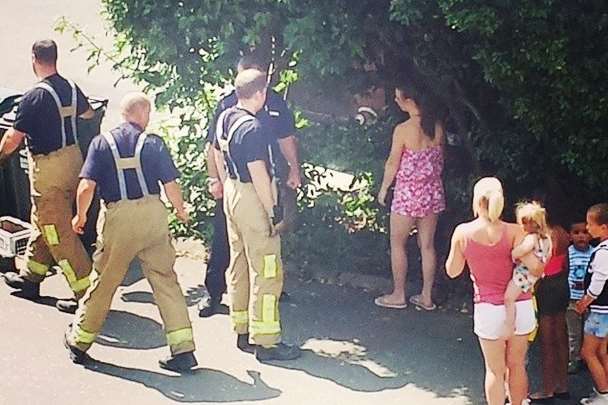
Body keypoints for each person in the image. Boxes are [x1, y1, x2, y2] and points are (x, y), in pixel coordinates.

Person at [64, 92, 197, 372]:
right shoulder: (153, 143)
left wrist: (81, 216)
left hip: (120, 217)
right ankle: (183, 349)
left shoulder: (102, 144)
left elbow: (86, 186)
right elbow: (170, 183)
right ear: (143, 114)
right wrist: (181, 209)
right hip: (153, 216)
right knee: (165, 279)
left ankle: (79, 340)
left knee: (105, 280)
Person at [199, 52, 300, 317]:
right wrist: (273, 211)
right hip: (253, 193)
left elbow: (285, 138)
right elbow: (255, 172)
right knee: (265, 266)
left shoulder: (230, 116)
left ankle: (241, 325)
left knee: (240, 262)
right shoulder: (246, 123)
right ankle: (264, 339)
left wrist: (294, 169)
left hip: (235, 190)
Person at [0, 39, 94, 313]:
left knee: (57, 232)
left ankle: (86, 294)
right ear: (56, 57)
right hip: (73, 163)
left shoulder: (34, 97)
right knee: (43, 221)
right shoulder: (72, 89)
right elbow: (88, 114)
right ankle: (31, 277)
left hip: (49, 169)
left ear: (34, 59)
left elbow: (12, 139)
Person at [445, 177, 542, 405]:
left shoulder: (463, 232)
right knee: (517, 366)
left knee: (494, 371)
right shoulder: (516, 231)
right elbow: (535, 266)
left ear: (477, 201)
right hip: (521, 304)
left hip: (488, 308)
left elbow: (453, 270)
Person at [375, 80, 445, 311]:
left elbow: (393, 163)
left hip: (407, 194)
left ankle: (399, 294)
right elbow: (440, 161)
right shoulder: (436, 126)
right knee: (427, 245)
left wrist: (384, 188)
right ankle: (426, 296)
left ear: (409, 101)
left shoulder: (403, 130)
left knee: (398, 243)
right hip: (432, 192)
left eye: (398, 98)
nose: (395, 101)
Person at [528, 224, 571, 403]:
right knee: (561, 337)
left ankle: (548, 389)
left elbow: (541, 266)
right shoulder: (562, 232)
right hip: (561, 285)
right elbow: (565, 264)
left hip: (546, 287)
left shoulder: (545, 235)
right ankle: (562, 385)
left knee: (547, 341)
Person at [503, 201, 552, 338]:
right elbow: (548, 256)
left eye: (527, 223)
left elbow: (521, 251)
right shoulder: (547, 238)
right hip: (534, 275)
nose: (524, 226)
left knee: (509, 298)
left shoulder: (531, 238)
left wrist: (513, 253)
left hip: (523, 273)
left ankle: (510, 323)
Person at [576, 203, 608, 404]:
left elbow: (598, 281)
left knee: (588, 352)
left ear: (604, 227)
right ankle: (604, 391)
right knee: (602, 351)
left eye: (590, 224)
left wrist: (584, 301)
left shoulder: (603, 252)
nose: (587, 229)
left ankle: (604, 394)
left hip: (600, 311)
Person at [566, 221, 593, 373]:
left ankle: (587, 358)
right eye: (576, 233)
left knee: (589, 332)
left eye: (584, 232)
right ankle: (573, 359)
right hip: (572, 300)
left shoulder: (594, 252)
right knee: (573, 333)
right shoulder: (569, 253)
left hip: (589, 300)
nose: (581, 236)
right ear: (570, 236)